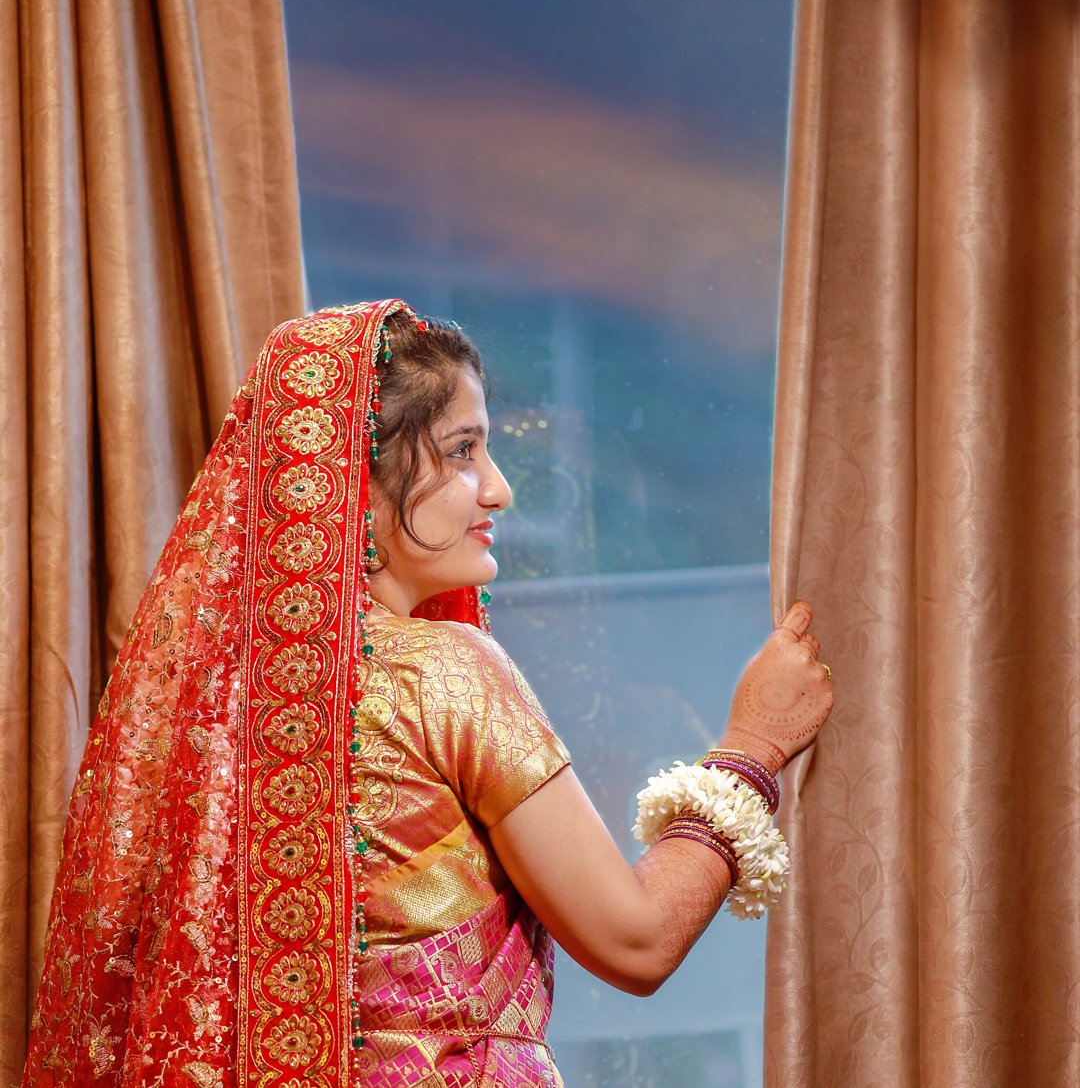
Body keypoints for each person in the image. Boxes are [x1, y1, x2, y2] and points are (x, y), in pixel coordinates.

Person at [22, 299, 833, 1088]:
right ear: (354, 480)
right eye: (461, 452)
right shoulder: (442, 675)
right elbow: (636, 942)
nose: (499, 489)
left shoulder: (216, 714)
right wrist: (753, 746)